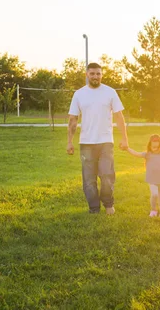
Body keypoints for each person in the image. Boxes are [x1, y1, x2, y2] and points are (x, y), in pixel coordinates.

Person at [67, 63, 129, 215]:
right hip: (86, 143)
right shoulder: (79, 94)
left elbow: (119, 116)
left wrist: (124, 138)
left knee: (107, 175)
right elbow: (73, 119)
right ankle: (94, 208)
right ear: (87, 75)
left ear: (102, 75)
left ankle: (108, 204)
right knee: (89, 180)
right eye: (92, 73)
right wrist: (69, 141)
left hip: (106, 141)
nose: (95, 76)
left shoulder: (110, 92)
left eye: (98, 74)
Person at [123, 134, 160, 217]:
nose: (155, 149)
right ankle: (153, 210)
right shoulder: (147, 154)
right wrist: (127, 148)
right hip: (152, 180)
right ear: (149, 145)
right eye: (153, 147)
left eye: (157, 147)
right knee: (154, 194)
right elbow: (136, 154)